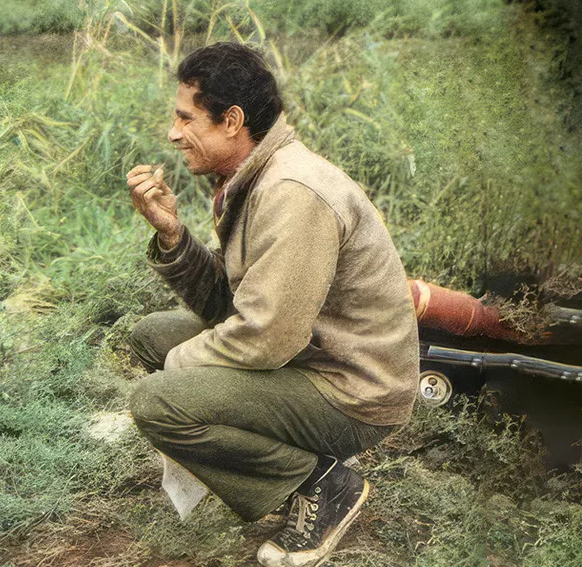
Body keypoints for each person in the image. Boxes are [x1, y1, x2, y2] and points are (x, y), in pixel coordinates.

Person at [125, 43, 419, 567]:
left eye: (185, 117)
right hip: (312, 356)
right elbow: (231, 304)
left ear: (232, 120)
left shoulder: (292, 190)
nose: (172, 133)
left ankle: (323, 484)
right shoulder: (257, 175)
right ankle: (284, 461)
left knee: (157, 399)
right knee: (153, 335)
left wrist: (178, 374)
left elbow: (267, 336)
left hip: (352, 392)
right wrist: (172, 235)